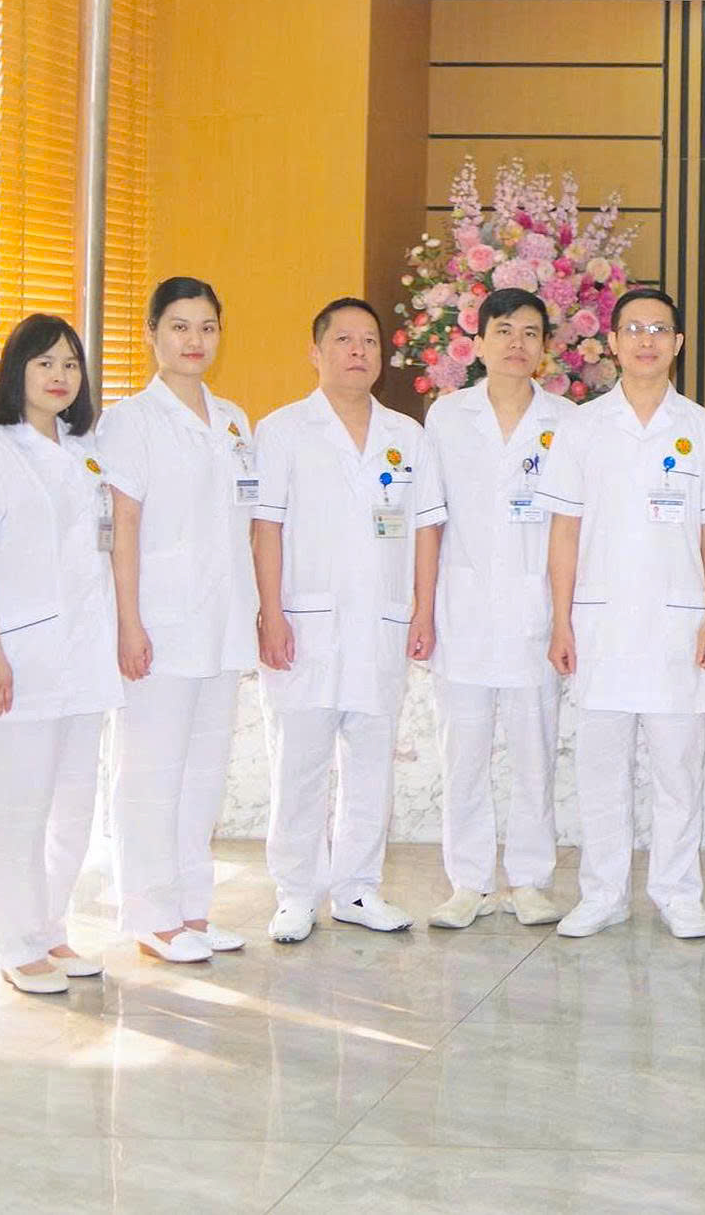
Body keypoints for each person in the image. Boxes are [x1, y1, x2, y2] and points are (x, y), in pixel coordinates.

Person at [542, 286, 705, 940]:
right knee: (600, 768)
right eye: (633, 328)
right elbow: (564, 530)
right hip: (599, 624)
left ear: (678, 343)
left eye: (659, 328)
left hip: (679, 625)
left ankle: (678, 891)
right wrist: (561, 618)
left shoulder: (703, 429)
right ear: (613, 343)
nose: (647, 339)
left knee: (678, 768)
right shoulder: (580, 426)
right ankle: (602, 893)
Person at [252, 296, 445, 944]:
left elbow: (424, 529)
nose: (358, 351)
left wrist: (423, 608)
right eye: (343, 339)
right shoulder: (281, 430)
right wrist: (271, 612)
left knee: (370, 760)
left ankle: (358, 887)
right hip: (304, 624)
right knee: (300, 762)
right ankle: (295, 891)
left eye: (369, 339)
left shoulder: (407, 436)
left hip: (381, 624)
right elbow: (266, 528)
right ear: (316, 351)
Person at [0, 315, 123, 994]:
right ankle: (15, 943)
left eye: (71, 364)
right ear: (15, 370)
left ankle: (50, 928)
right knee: (16, 811)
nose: (59, 375)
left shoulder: (84, 450)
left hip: (82, 660)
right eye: (44, 362)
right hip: (17, 660)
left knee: (71, 807)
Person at [96, 277, 256, 965]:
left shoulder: (234, 420)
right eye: (181, 327)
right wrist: (129, 622)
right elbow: (122, 526)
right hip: (159, 620)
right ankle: (150, 912)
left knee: (204, 771)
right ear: (153, 333)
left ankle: (192, 905)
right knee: (152, 769)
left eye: (207, 328)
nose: (195, 341)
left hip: (223, 622)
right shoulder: (130, 419)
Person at [420, 287, 572, 932]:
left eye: (531, 333)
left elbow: (572, 525)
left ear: (545, 347)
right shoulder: (445, 417)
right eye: (504, 330)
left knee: (535, 751)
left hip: (536, 611)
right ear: (477, 342)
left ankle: (531, 880)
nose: (517, 344)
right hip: (462, 609)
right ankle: (469, 882)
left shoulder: (567, 419)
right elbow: (429, 518)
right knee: (465, 750)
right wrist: (423, 610)